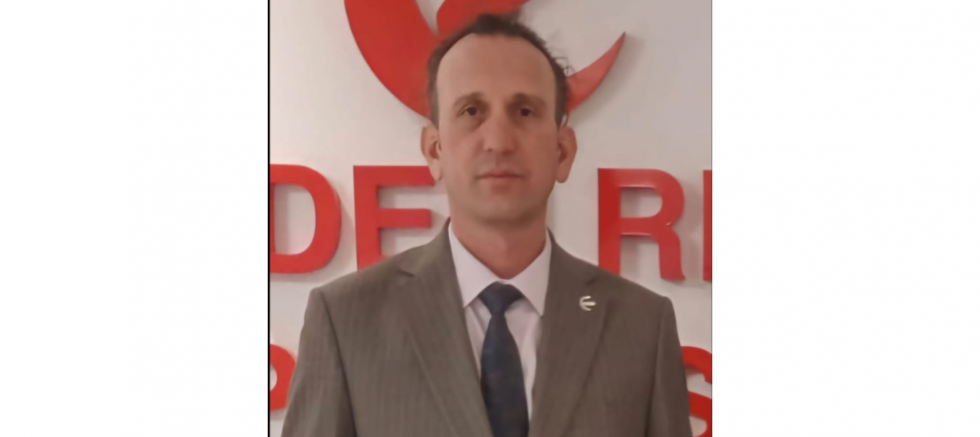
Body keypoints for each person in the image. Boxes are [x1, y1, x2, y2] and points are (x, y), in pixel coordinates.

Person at [282, 13, 693, 437]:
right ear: (434, 150)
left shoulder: (643, 326)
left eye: (525, 111)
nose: (498, 140)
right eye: (471, 111)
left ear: (562, 152)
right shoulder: (346, 320)